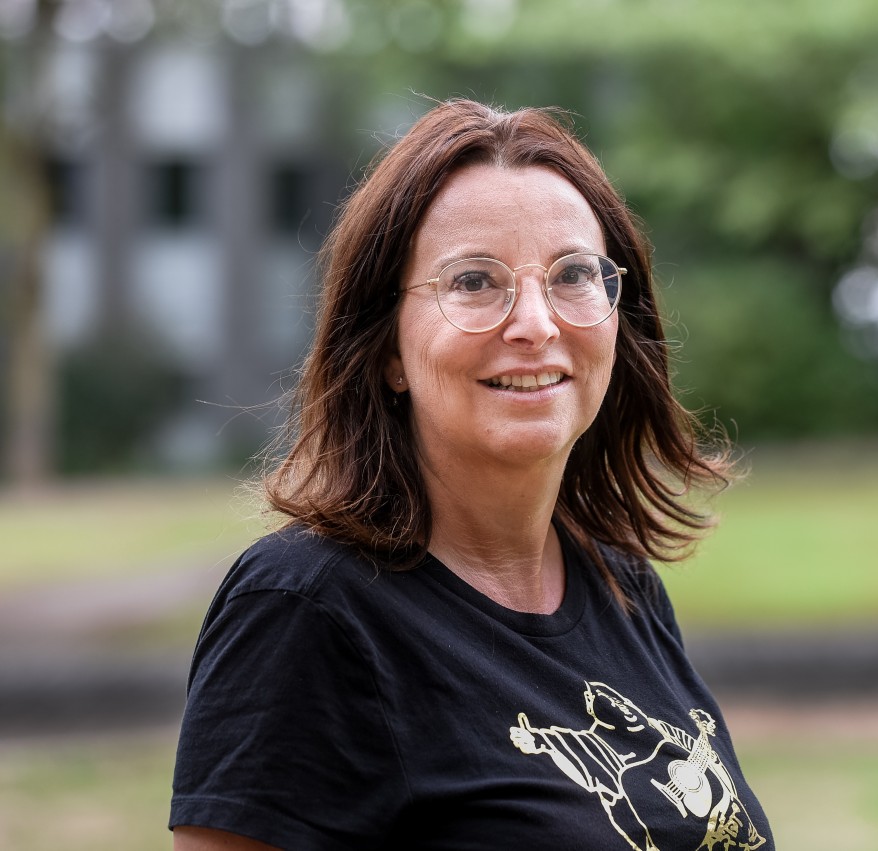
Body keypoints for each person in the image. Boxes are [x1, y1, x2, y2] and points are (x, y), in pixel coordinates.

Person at [170, 99, 772, 851]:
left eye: (574, 274)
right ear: (387, 349)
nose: (536, 323)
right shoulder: (306, 610)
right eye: (475, 282)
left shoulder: (622, 585)